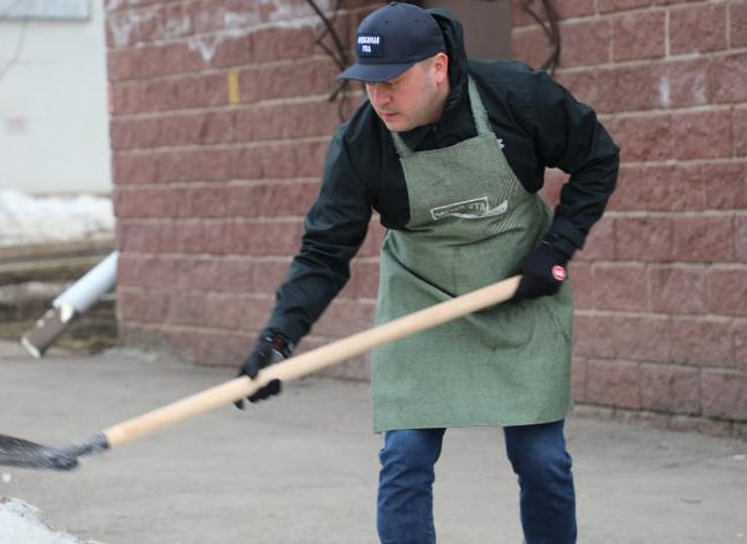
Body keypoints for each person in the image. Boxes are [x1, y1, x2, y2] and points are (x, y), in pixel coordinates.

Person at [235, 3, 619, 544]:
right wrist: (279, 336)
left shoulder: (516, 94)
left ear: (437, 67)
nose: (379, 97)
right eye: (369, 83)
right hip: (424, 300)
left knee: (542, 460)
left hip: (519, 291)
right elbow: (325, 251)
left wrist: (556, 249)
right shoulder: (361, 143)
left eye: (392, 81)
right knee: (405, 456)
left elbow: (598, 157)